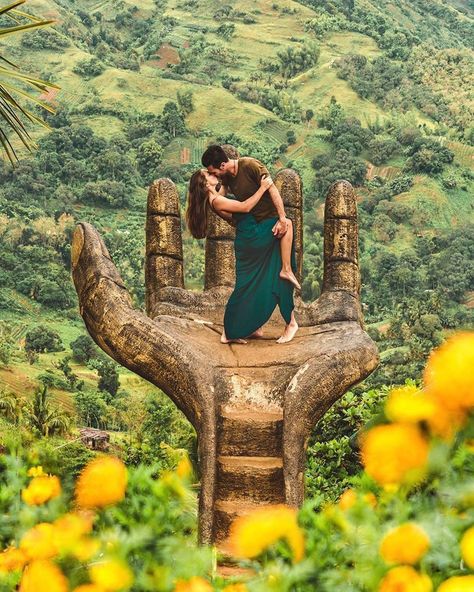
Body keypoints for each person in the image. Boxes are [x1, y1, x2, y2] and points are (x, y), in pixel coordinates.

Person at [186, 165, 299, 345]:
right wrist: (263, 188)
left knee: (247, 287)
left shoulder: (215, 197)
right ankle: (230, 331)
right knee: (288, 224)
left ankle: (244, 328)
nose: (212, 173)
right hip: (253, 236)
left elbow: (225, 192)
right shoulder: (216, 201)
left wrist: (226, 178)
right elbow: (245, 207)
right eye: (208, 174)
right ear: (205, 184)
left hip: (247, 238)